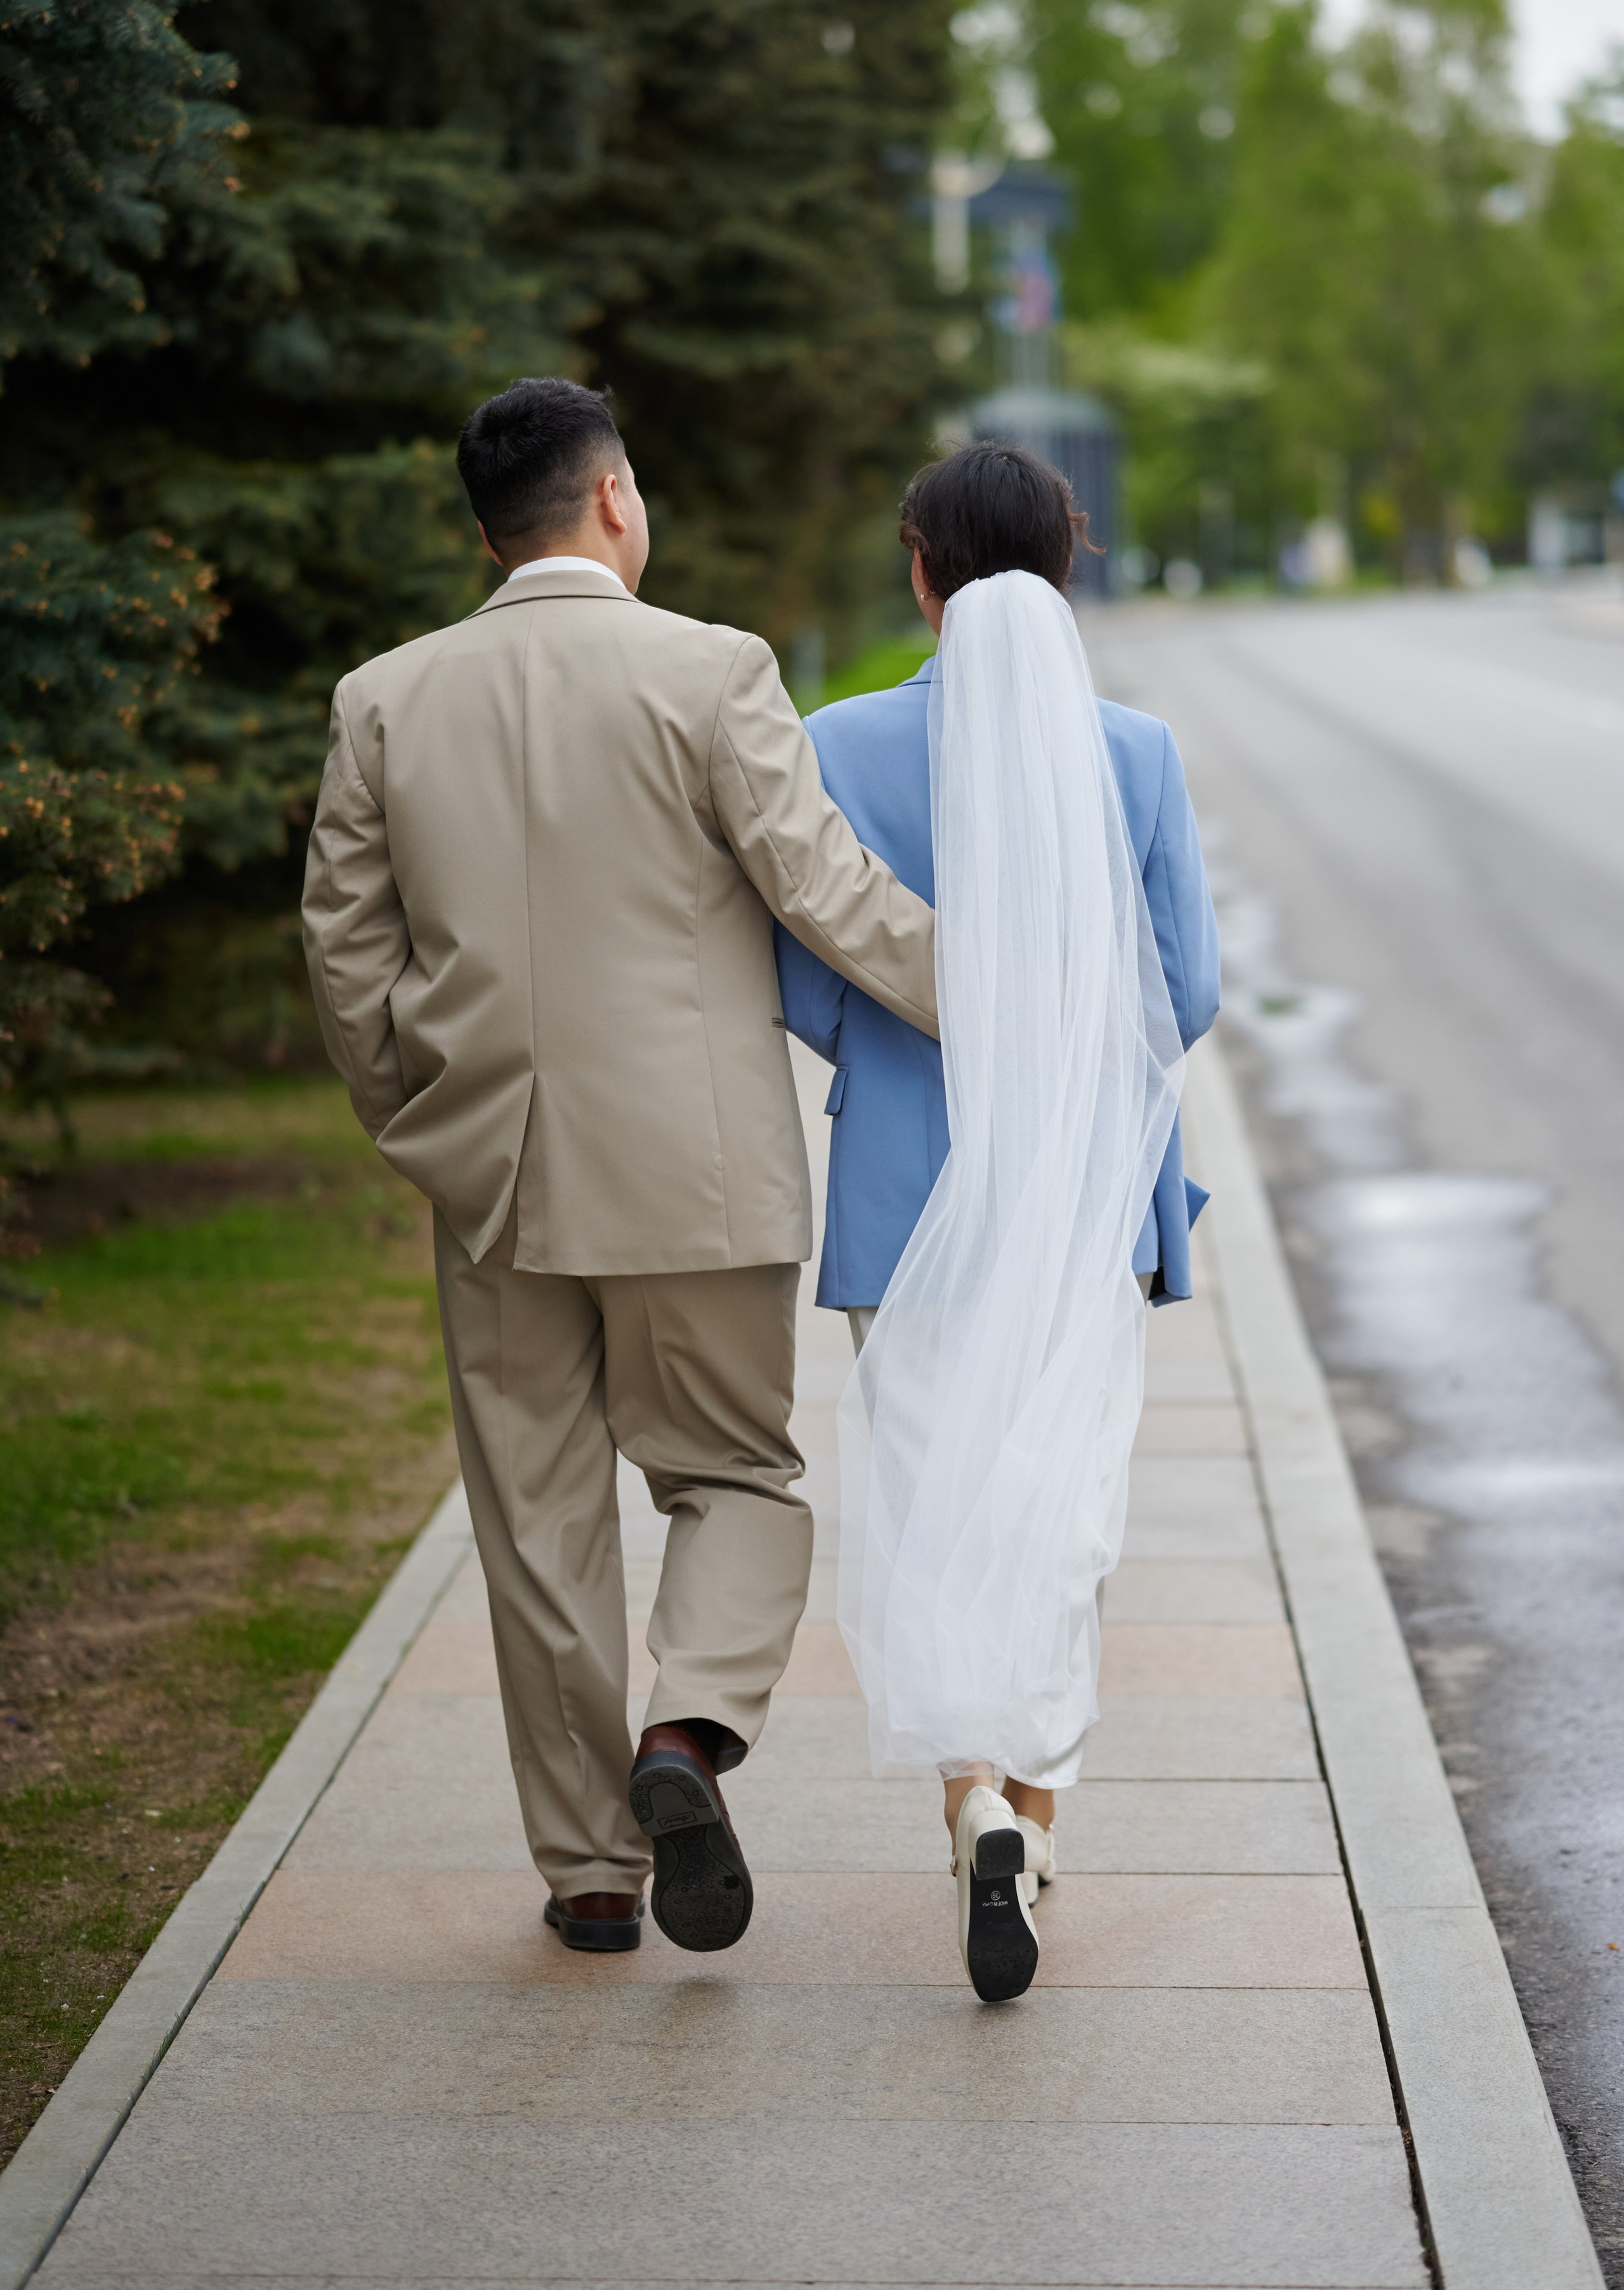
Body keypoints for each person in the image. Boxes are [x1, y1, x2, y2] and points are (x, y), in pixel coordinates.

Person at [302, 377, 940, 1958]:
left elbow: (343, 950)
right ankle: (689, 1732)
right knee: (731, 1473)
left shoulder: (382, 698)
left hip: (492, 1179)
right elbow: (824, 891)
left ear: (483, 535)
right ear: (612, 500)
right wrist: (1012, 998)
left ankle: (590, 1873)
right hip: (695, 1171)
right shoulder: (711, 671)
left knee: (535, 1519)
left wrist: (421, 1125)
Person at [775, 443, 1220, 2001]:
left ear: (919, 569)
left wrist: (910, 1067)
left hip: (904, 1199)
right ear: (1069, 559)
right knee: (1055, 1507)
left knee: (925, 1496)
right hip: (1088, 1200)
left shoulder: (838, 742)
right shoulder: (1139, 752)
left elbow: (807, 982)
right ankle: (1028, 1821)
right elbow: (1195, 992)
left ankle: (964, 1789)